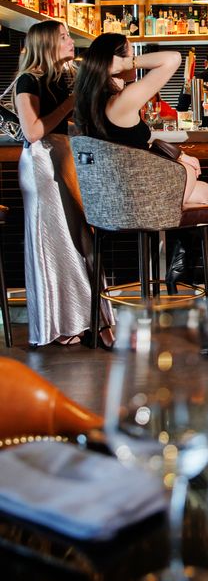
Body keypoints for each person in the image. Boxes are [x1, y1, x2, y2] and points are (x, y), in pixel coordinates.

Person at [74, 36, 208, 294]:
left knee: (202, 191)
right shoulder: (122, 100)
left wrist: (179, 156)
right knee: (191, 172)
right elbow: (172, 59)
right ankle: (179, 270)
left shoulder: (92, 101)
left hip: (114, 200)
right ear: (115, 60)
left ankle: (176, 267)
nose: (134, 61)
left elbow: (137, 142)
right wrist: (126, 62)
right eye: (129, 54)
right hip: (134, 204)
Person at [13, 21, 114, 347]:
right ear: (46, 44)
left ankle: (89, 320)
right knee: (55, 244)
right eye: (64, 37)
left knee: (81, 240)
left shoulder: (66, 78)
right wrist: (71, 103)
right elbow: (32, 132)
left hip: (67, 159)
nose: (71, 41)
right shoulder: (27, 81)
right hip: (43, 165)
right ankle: (61, 324)